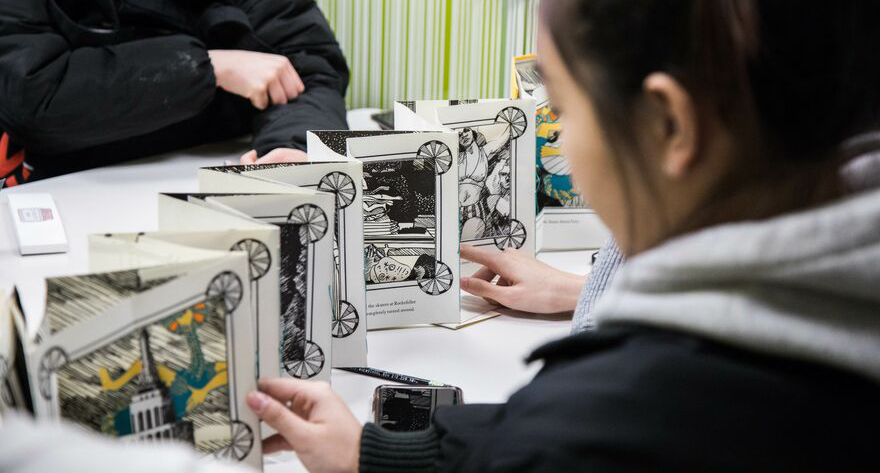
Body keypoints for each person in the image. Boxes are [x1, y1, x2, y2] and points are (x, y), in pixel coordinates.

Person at [244, 1, 880, 471]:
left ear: (668, 125)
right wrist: (375, 453)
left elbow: (568, 441)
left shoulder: (622, 414)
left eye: (564, 112)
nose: (562, 150)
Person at [0, 0, 348, 184]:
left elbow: (308, 66)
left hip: (216, 184)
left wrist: (292, 147)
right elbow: (35, 96)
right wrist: (208, 67)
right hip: (66, 191)